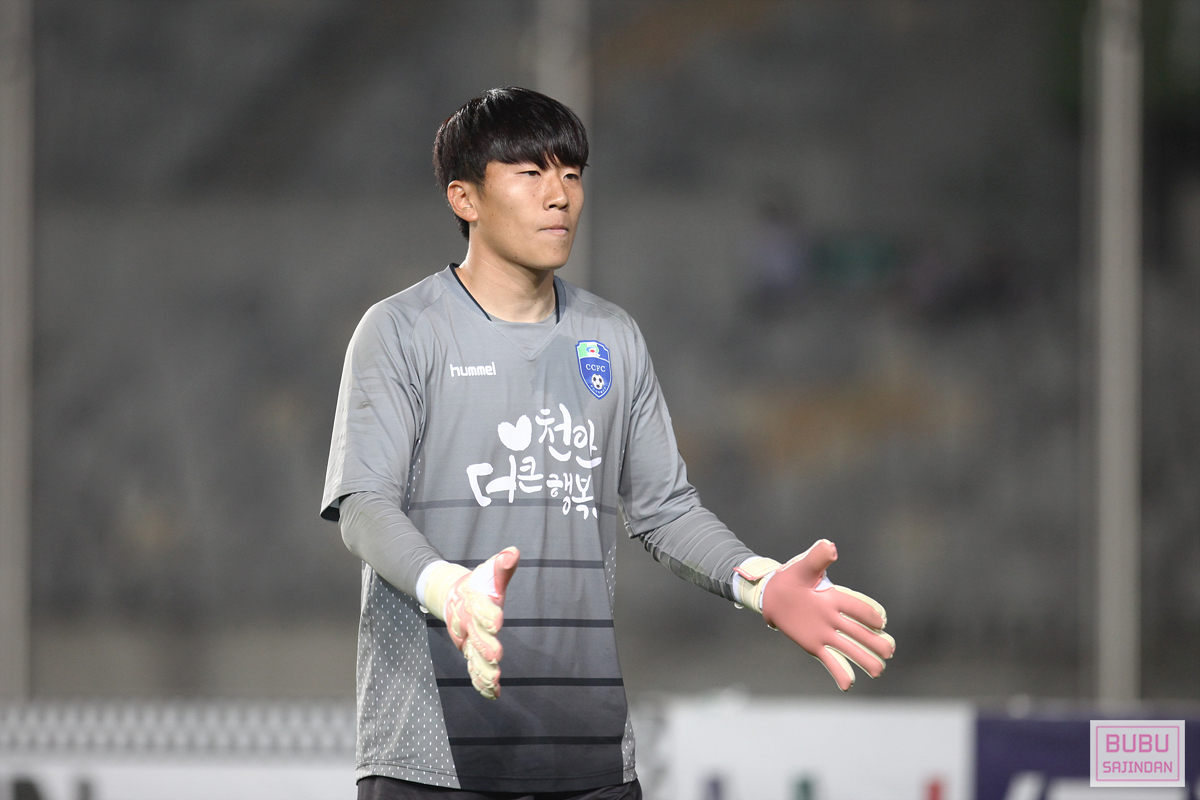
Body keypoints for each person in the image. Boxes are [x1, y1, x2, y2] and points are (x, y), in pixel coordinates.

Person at [321, 87, 895, 800]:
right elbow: (363, 504)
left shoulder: (611, 337)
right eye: (530, 174)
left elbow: (664, 510)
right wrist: (450, 588)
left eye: (571, 173)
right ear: (464, 198)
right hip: (432, 760)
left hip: (588, 757)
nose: (559, 195)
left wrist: (760, 582)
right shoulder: (401, 331)